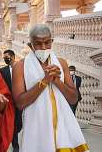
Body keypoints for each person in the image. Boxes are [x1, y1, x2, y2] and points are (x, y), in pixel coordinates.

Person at [12, 24, 89, 152]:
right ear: (31, 45)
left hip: (65, 128)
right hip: (37, 129)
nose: (43, 47)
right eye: (38, 44)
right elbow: (20, 103)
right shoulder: (20, 67)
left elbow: (73, 99)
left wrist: (57, 81)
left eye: (47, 42)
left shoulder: (62, 63)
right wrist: (45, 81)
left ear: (52, 42)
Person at [0, 49, 22, 152]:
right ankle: (15, 144)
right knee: (12, 123)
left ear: (12, 57)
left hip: (20, 100)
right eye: (4, 58)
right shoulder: (2, 71)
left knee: (20, 123)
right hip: (9, 102)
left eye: (6, 57)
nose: (5, 59)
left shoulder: (22, 68)